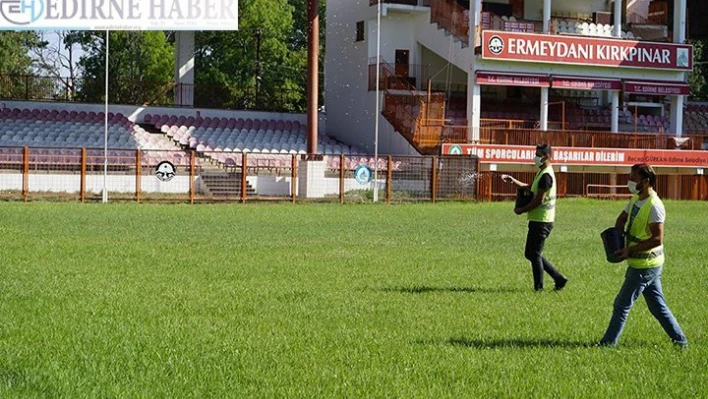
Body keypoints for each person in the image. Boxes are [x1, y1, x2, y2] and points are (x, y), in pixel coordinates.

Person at [599, 164, 688, 347]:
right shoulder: (636, 199)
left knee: (621, 305)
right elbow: (622, 218)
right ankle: (681, 342)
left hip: (645, 265)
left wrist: (629, 250)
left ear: (645, 181)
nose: (629, 181)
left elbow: (657, 239)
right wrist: (617, 238)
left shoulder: (655, 206)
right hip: (644, 264)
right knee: (657, 307)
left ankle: (608, 344)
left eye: (633, 178)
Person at [501, 144, 568, 292]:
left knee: (534, 254)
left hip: (542, 221)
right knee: (531, 253)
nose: (535, 157)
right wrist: (514, 181)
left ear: (546, 157)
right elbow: (530, 187)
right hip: (538, 220)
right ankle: (559, 278)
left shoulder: (546, 176)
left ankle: (539, 288)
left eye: (538, 154)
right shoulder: (541, 172)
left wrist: (522, 210)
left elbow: (539, 200)